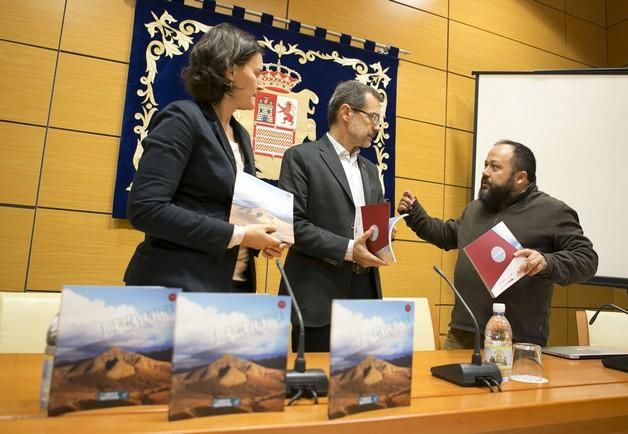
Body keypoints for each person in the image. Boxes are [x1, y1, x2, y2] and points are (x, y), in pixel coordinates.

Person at [124, 23, 286, 293]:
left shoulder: (241, 134)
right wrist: (241, 234)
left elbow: (231, 210)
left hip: (230, 288)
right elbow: (145, 209)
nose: (261, 82)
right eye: (256, 72)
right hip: (177, 285)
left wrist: (264, 236)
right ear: (231, 70)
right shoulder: (182, 119)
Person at [398, 139, 598, 348]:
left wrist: (547, 262)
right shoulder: (475, 209)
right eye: (485, 165)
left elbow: (587, 259)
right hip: (462, 333)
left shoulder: (552, 212)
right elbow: (447, 235)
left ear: (521, 177)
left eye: (495, 167)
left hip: (516, 339)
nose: (485, 172)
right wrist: (415, 214)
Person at [278, 80, 388, 352]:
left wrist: (383, 233)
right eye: (373, 117)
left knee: (363, 386)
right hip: (317, 296)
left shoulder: (371, 170)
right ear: (347, 112)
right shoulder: (301, 158)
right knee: (319, 389)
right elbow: (293, 225)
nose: (377, 127)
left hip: (365, 295)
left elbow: (368, 226)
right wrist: (350, 250)